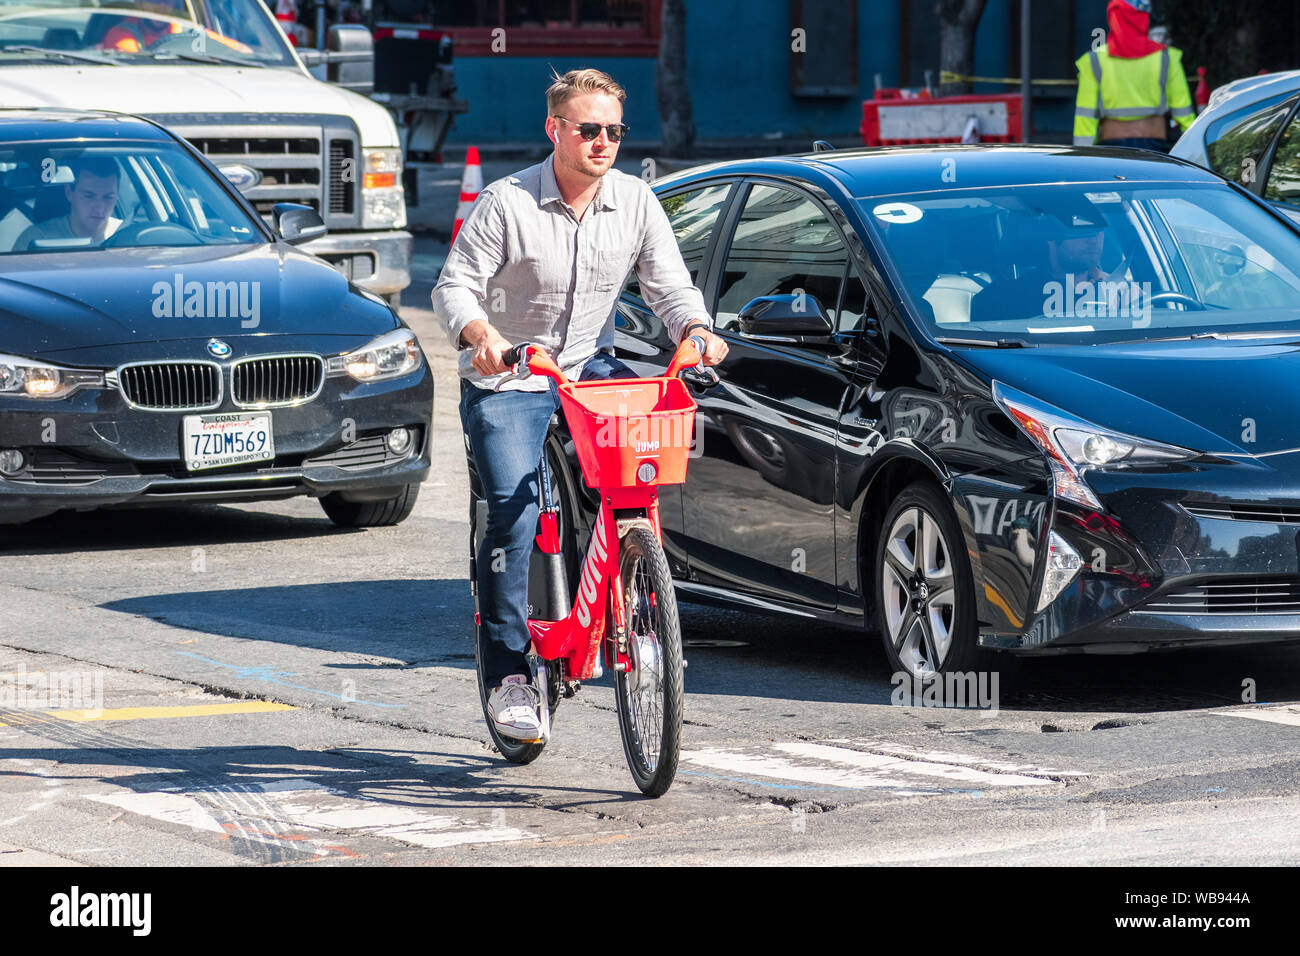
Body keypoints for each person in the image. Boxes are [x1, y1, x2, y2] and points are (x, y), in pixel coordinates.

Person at [431, 68, 727, 742]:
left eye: (614, 131)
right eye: (588, 128)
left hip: (588, 367)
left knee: (640, 475)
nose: (602, 142)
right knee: (512, 511)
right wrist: (482, 339)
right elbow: (454, 287)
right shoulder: (506, 203)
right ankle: (509, 672)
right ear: (555, 130)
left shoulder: (637, 201)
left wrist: (698, 333)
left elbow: (670, 288)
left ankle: (629, 587)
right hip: (512, 373)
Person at [1073, 0, 1194, 152]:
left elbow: (1085, 117)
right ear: (1145, 18)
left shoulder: (1094, 59)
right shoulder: (1166, 58)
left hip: (1111, 145)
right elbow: (1183, 112)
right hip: (1155, 144)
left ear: (1112, 17)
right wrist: (1194, 148)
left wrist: (1082, 154)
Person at [14, 158, 123, 251]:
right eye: (89, 196)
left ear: (117, 195)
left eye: (108, 197)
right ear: (69, 192)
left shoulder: (127, 234)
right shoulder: (37, 239)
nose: (100, 207)